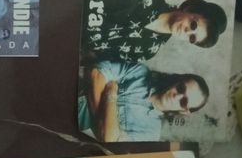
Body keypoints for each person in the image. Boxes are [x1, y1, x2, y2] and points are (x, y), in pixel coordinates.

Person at [78, 60, 209, 141]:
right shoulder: (140, 72)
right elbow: (97, 73)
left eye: (184, 102)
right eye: (181, 88)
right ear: (178, 79)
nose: (177, 96)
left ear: (184, 111)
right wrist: (102, 123)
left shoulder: (150, 133)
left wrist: (111, 92)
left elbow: (109, 139)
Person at [84, 0, 227, 63]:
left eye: (192, 38)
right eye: (193, 25)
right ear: (190, 9)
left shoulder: (148, 51)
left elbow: (98, 59)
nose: (187, 32)